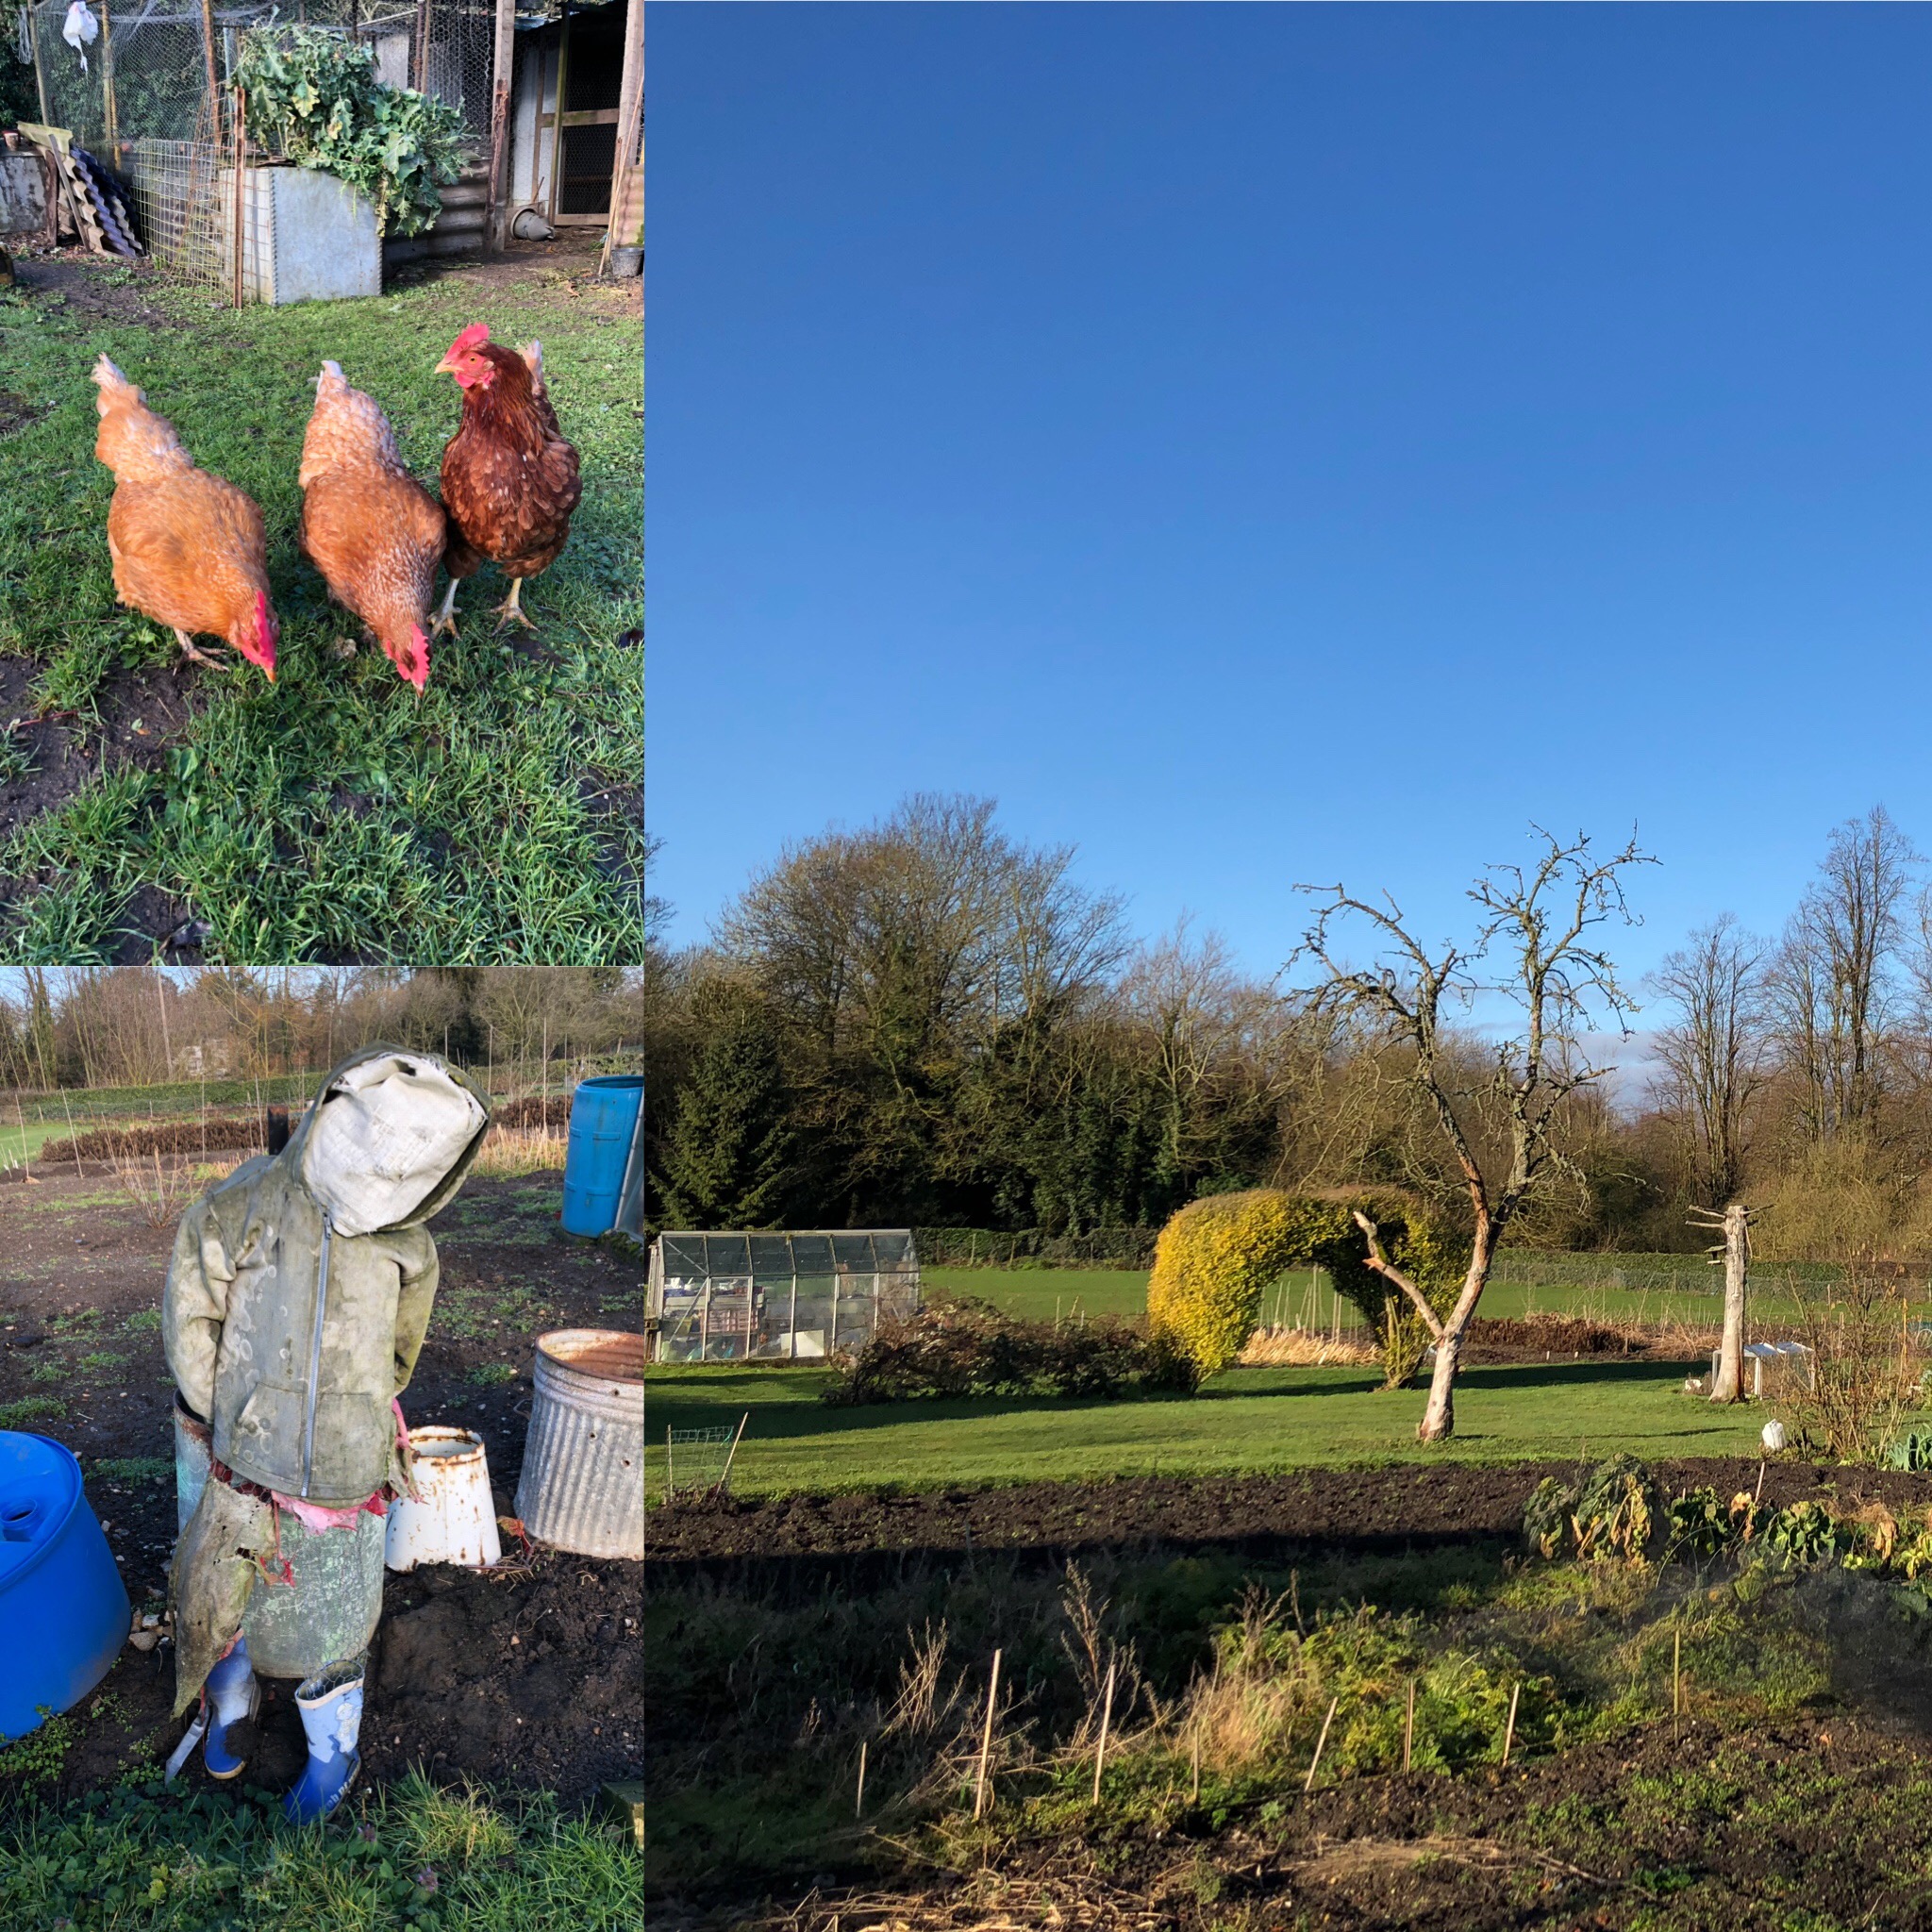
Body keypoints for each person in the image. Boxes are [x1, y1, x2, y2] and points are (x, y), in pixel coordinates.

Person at [163, 1044, 490, 1823]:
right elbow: (191, 1317)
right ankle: (233, 1705)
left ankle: (331, 1750)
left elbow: (401, 1351)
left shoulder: (406, 1241)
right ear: (333, 1122)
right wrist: (230, 1415)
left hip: (348, 1470)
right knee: (227, 1599)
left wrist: (359, 1404)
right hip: (240, 1457)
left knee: (336, 1620)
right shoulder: (238, 1207)